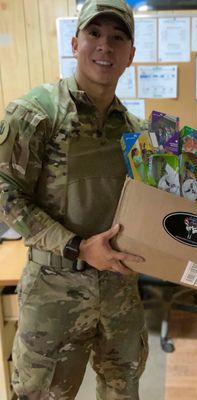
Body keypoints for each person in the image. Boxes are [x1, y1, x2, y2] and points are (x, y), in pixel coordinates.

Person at [0, 0, 149, 399]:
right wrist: (79, 248)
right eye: (94, 34)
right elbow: (4, 194)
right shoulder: (36, 115)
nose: (106, 46)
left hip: (119, 291)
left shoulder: (136, 132)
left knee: (123, 388)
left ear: (130, 56)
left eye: (118, 38)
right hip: (54, 291)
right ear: (75, 42)